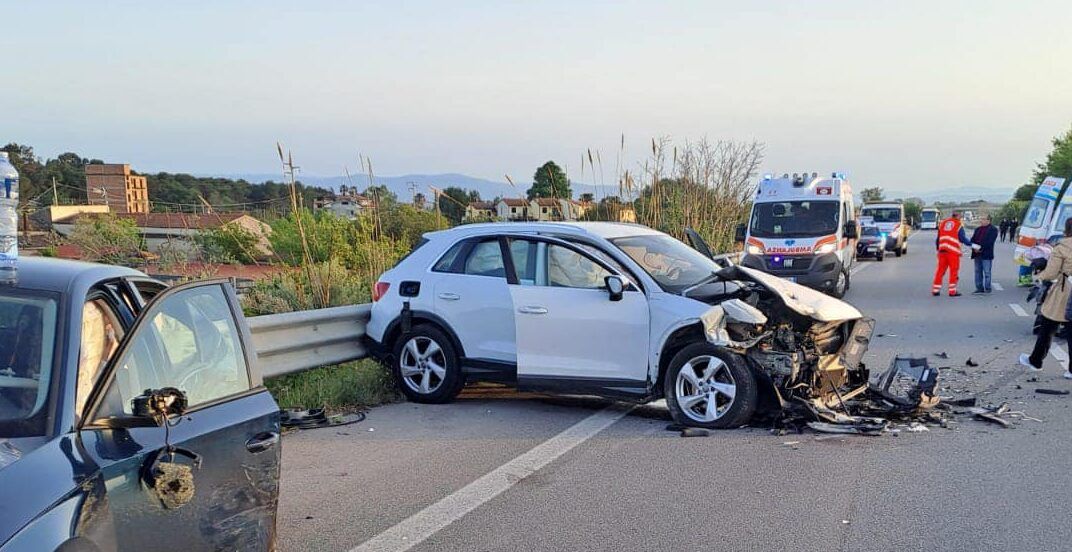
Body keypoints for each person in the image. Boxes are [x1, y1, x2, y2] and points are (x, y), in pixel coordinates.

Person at [1020, 217, 1072, 379]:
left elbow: (1051, 272)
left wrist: (1039, 276)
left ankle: (1036, 361)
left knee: (1048, 325)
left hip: (1065, 290)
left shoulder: (1062, 246)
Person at [932, 212, 978, 297]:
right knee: (953, 271)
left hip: (942, 251)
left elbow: (938, 239)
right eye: (960, 217)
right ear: (958, 217)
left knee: (940, 271)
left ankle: (935, 289)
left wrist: (938, 249)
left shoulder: (943, 223)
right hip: (953, 252)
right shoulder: (958, 225)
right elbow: (963, 239)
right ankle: (952, 291)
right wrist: (974, 245)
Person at [971, 214, 999, 293]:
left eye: (983, 219)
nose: (981, 221)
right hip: (977, 254)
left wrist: (980, 248)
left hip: (986, 254)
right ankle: (979, 288)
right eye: (981, 219)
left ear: (988, 220)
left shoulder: (993, 229)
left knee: (987, 272)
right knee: (977, 271)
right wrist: (974, 247)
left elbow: (990, 242)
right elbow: (972, 239)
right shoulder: (977, 229)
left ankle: (987, 288)